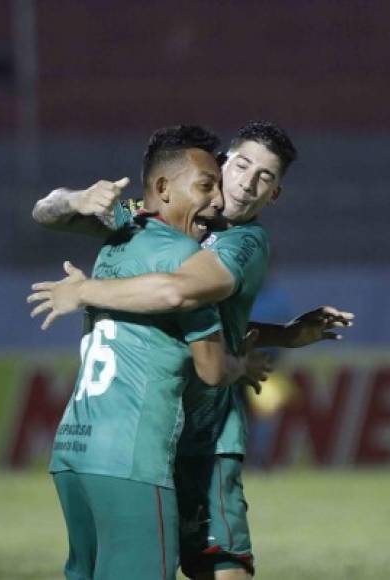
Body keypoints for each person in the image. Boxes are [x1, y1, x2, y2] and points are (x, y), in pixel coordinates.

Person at [29, 121, 353, 579]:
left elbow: (182, 296)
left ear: (275, 193)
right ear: (221, 165)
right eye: (241, 165)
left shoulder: (245, 242)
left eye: (265, 176)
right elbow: (45, 212)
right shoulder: (158, 219)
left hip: (204, 432)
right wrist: (76, 199)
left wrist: (86, 292)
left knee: (220, 562)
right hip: (149, 429)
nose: (247, 181)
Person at [42, 125, 265, 580]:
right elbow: (209, 365)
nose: (219, 201)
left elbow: (44, 210)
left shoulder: (118, 237)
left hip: (73, 451)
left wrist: (74, 208)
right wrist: (241, 365)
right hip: (132, 458)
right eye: (206, 186)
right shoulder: (186, 256)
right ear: (162, 188)